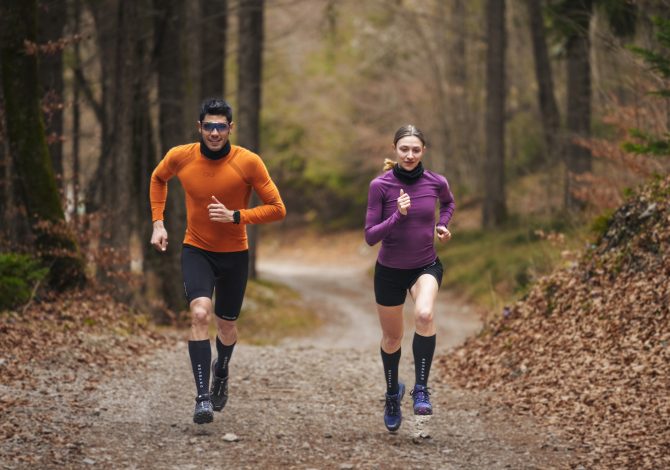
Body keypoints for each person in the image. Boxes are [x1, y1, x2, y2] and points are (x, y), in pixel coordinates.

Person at [149, 98, 286, 424]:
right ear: (199, 127)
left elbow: (277, 208)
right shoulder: (180, 156)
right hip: (196, 249)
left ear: (230, 129)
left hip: (235, 255)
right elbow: (158, 179)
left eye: (220, 127)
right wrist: (158, 222)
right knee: (199, 313)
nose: (214, 132)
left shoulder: (248, 162)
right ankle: (202, 397)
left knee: (226, 325)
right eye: (208, 126)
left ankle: (221, 368)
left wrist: (236, 216)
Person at [364, 124, 455, 432]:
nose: (410, 154)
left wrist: (442, 224)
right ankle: (392, 394)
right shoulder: (381, 186)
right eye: (405, 149)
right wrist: (397, 216)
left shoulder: (436, 182)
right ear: (395, 149)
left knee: (425, 315)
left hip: (425, 265)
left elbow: (449, 202)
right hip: (389, 271)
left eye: (416, 149)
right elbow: (370, 236)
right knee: (392, 339)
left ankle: (421, 388)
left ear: (424, 151)